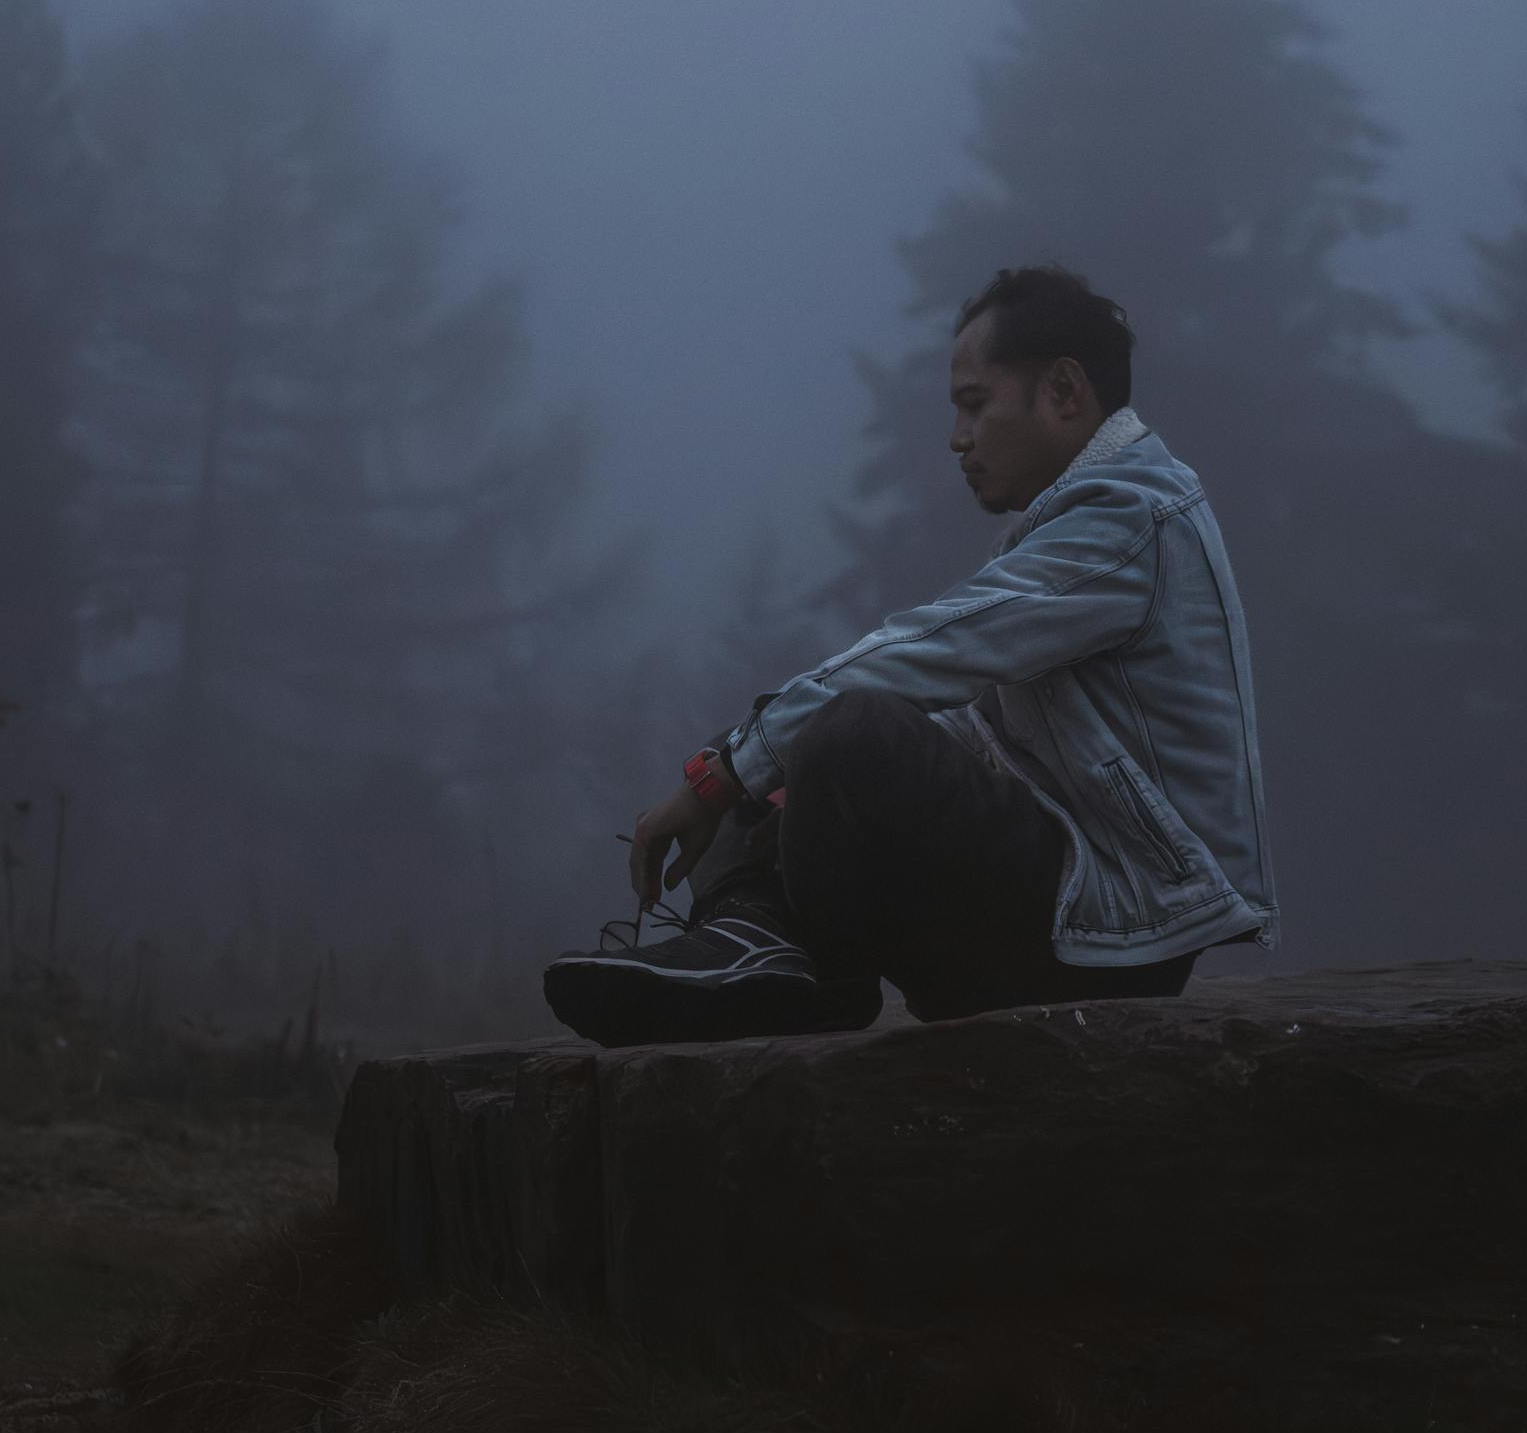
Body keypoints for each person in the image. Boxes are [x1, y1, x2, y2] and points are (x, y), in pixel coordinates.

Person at [543, 264, 1277, 1047]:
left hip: (1114, 937)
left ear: (1064, 392)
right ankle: (759, 944)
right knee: (790, 742)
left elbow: (938, 649)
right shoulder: (1085, 523)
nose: (957, 438)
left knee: (838, 728)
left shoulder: (1132, 520)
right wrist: (777, 777)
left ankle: (800, 966)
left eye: (974, 405)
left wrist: (721, 774)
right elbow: (987, 730)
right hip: (1073, 909)